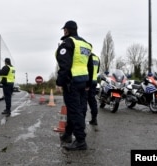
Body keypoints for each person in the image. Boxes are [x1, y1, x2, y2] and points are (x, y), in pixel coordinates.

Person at [55, 20, 92, 151]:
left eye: (64, 29)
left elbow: (65, 65)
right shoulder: (86, 44)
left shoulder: (68, 43)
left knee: (75, 111)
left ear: (67, 30)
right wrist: (88, 83)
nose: (63, 32)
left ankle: (81, 141)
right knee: (75, 110)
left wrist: (59, 82)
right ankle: (67, 135)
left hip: (72, 82)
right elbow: (89, 65)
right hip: (83, 82)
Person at [86, 53, 100, 125]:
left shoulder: (88, 57)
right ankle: (94, 119)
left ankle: (81, 120)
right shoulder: (97, 58)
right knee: (92, 101)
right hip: (94, 81)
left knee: (84, 100)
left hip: (88, 81)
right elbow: (97, 71)